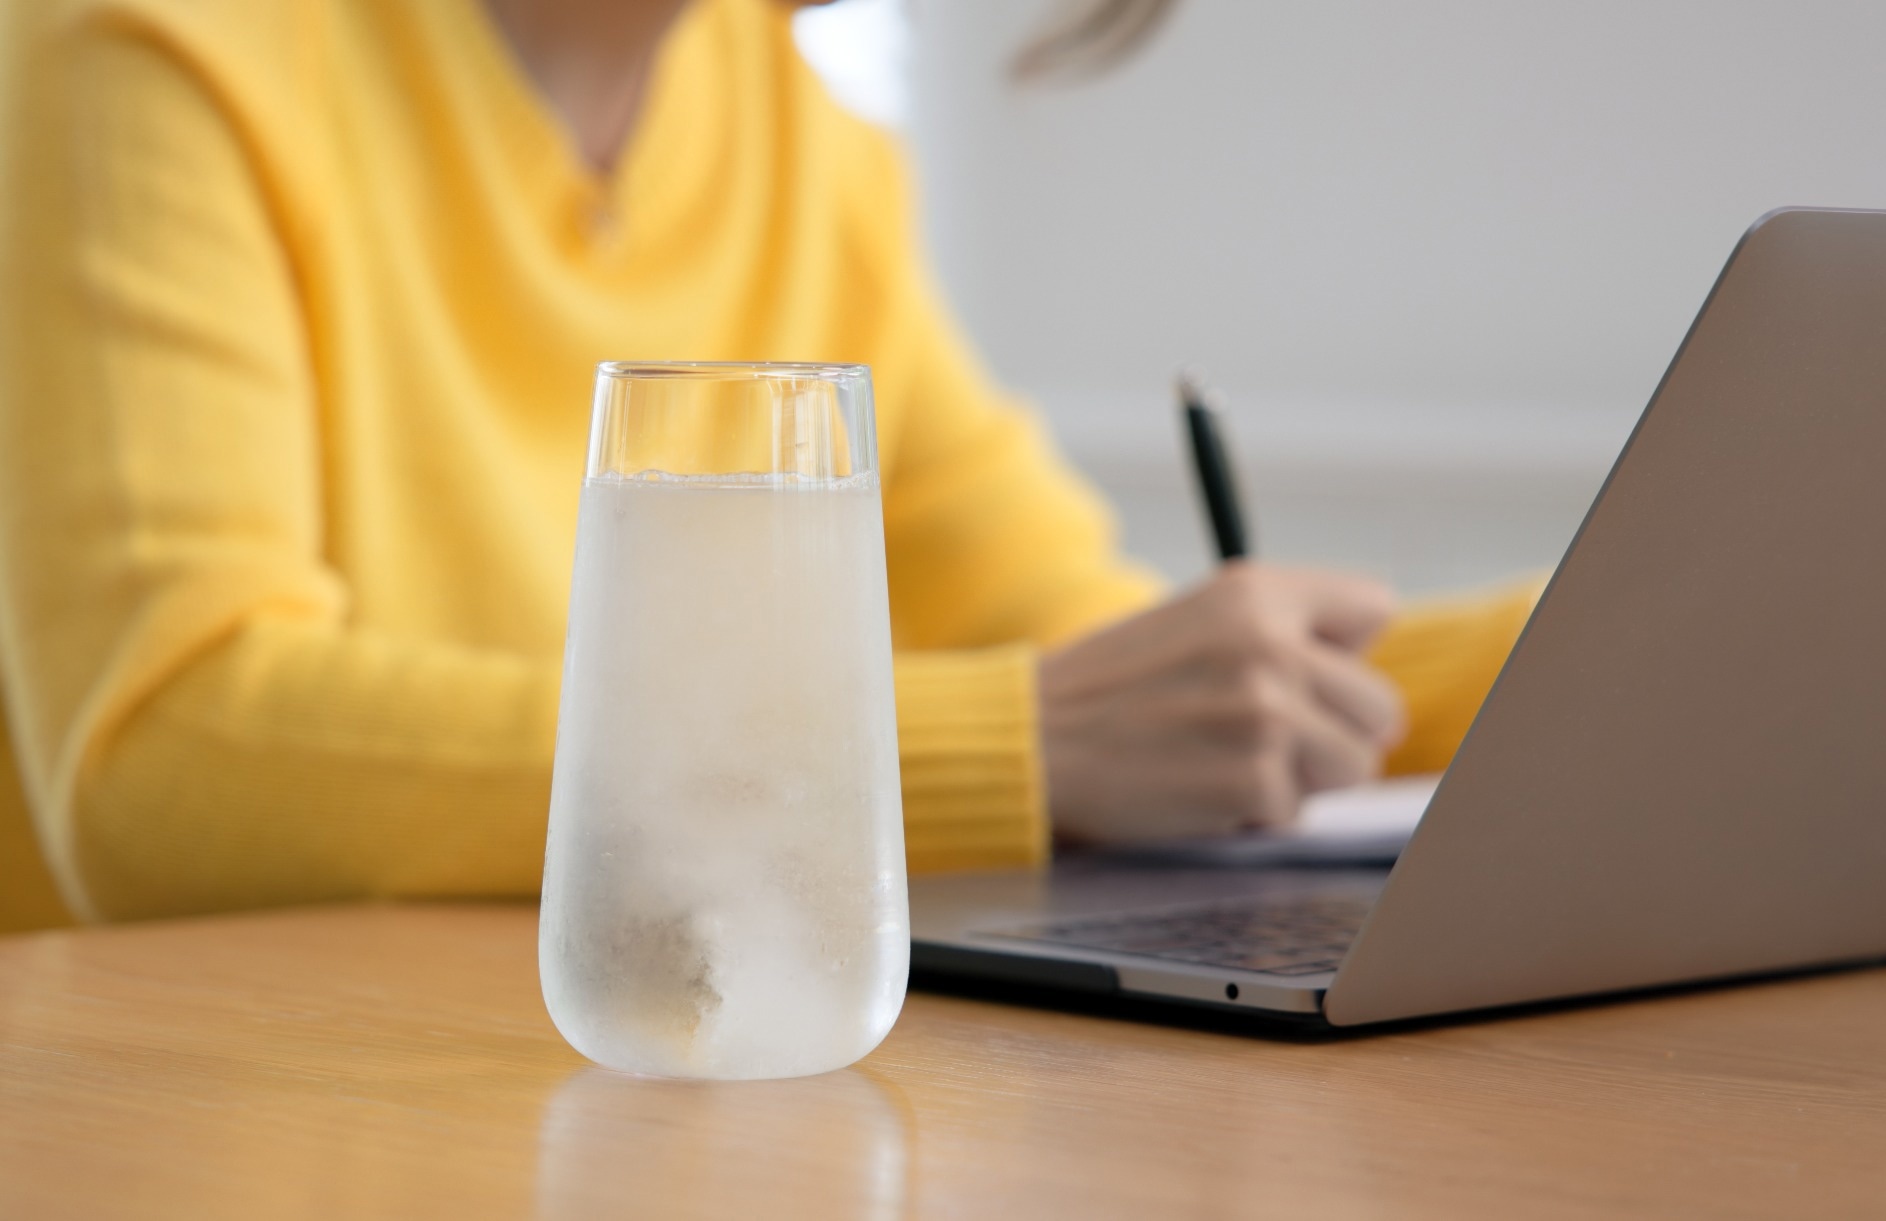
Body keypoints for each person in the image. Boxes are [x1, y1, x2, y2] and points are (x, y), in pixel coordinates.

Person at [0, 0, 1539, 932]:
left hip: (615, 1067)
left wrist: (1643, 625)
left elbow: (1116, 658)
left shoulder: (797, 136)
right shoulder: (157, 48)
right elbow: (163, 750)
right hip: (205, 1096)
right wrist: (1014, 748)